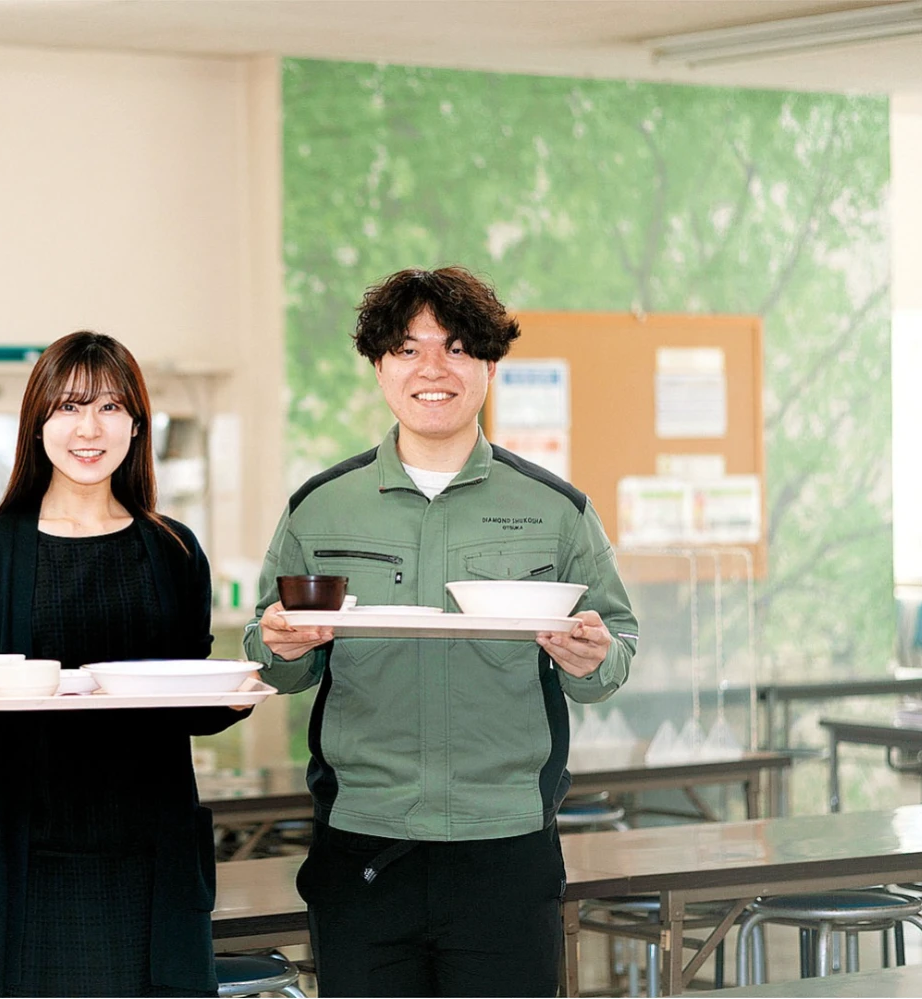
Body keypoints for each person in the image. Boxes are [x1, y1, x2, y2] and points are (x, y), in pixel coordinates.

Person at [243, 266, 638, 998]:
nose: (432, 369)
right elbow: (270, 658)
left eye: (456, 348)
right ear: (379, 366)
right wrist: (279, 646)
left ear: (489, 366)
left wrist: (593, 658)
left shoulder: (557, 510)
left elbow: (616, 646)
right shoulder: (320, 509)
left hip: (505, 844)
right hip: (363, 841)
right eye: (407, 349)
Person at [0, 331, 251, 998]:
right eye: (70, 406)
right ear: (37, 422)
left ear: (136, 424)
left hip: (152, 855)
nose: (89, 428)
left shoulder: (173, 551)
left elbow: (189, 699)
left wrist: (233, 696)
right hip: (29, 858)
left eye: (109, 407)